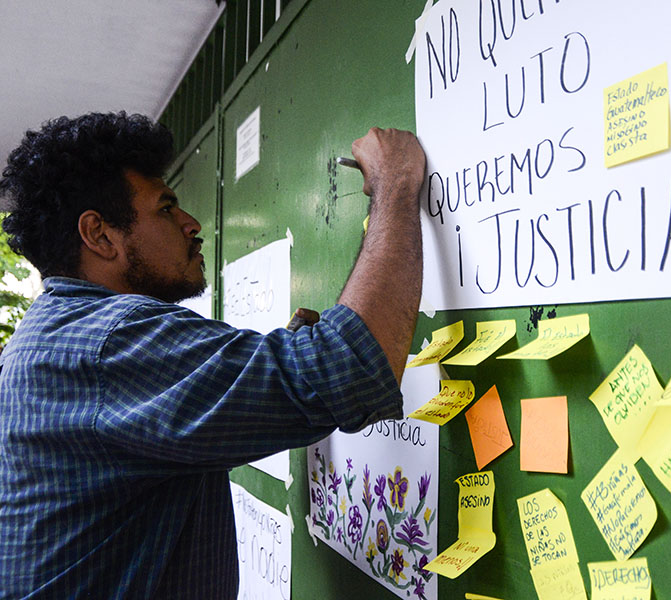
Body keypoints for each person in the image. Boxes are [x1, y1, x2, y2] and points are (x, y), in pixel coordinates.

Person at [0, 112, 425, 599]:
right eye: (165, 208)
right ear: (99, 235)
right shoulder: (109, 343)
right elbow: (346, 370)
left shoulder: (50, 336)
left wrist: (256, 375)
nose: (192, 224)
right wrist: (395, 183)